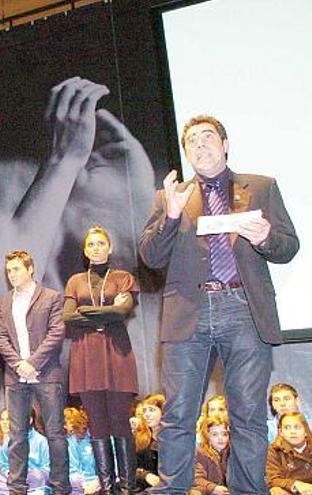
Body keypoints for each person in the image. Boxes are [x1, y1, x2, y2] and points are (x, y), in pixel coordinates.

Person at [139, 115, 299, 493]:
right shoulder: (171, 197)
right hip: (188, 313)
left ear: (225, 144)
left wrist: (265, 238)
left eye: (207, 137)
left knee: (248, 416)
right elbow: (150, 256)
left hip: (243, 307)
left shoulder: (261, 188)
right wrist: (172, 216)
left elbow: (288, 245)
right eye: (191, 141)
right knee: (178, 414)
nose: (199, 145)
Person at [63, 225, 139, 493]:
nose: (95, 248)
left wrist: (88, 311)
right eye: (91, 245)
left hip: (117, 354)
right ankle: (107, 488)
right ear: (85, 251)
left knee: (120, 422)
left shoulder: (123, 277)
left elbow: (123, 312)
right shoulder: (75, 281)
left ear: (110, 247)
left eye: (100, 243)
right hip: (86, 357)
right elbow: (68, 317)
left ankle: (127, 488)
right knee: (97, 425)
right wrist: (108, 309)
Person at [0, 250, 70, 495]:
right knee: (17, 436)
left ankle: (60, 488)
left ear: (30, 269)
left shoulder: (51, 297)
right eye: (9, 270)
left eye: (16, 269)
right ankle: (17, 488)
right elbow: (0, 336)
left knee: (55, 434)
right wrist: (18, 364)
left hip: (46, 374)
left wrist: (33, 362)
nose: (12, 274)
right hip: (16, 377)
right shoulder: (5, 301)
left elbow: (56, 333)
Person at [265, 412, 312, 495]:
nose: (292, 432)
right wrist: (295, 484)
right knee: (275, 490)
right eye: (287, 428)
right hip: (290, 489)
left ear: (305, 431)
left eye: (297, 427)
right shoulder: (275, 450)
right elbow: (272, 479)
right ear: (281, 432)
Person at [64, 407, 99, 495]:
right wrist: (84, 485)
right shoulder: (70, 442)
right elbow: (73, 470)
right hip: (79, 485)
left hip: (98, 482)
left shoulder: (96, 439)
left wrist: (98, 482)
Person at [191, 414, 230, 495]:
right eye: (215, 434)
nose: (220, 438)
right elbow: (196, 479)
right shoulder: (200, 453)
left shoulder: (231, 453)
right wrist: (213, 488)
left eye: (224, 434)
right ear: (207, 436)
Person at [135, 394, 164, 491]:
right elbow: (129, 467)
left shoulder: (174, 439)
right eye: (144, 411)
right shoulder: (138, 437)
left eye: (151, 410)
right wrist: (145, 475)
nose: (146, 414)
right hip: (142, 488)